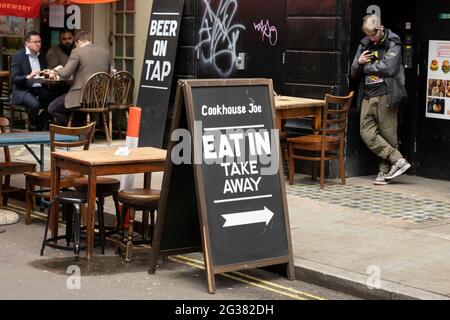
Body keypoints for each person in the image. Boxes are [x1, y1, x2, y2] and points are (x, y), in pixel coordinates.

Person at [351, 14, 410, 185]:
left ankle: (383, 172)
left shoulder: (394, 42)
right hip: (367, 96)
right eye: (368, 35)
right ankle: (398, 159)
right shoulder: (364, 43)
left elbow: (388, 68)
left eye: (373, 35)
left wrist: (365, 67)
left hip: (387, 94)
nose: (371, 38)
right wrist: (358, 63)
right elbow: (354, 72)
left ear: (381, 28)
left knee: (388, 133)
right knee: (365, 132)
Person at [48, 31, 111, 126]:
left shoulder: (77, 51)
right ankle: (86, 125)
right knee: (73, 109)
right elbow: (108, 72)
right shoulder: (105, 52)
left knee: (52, 108)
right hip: (100, 96)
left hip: (82, 97)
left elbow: (65, 74)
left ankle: (80, 126)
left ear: (78, 42)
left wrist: (58, 68)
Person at [11, 31, 55, 131]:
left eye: (39, 42)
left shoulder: (41, 55)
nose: (38, 44)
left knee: (55, 102)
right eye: (35, 42)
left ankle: (39, 123)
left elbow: (43, 72)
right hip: (22, 89)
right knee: (34, 104)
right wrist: (28, 76)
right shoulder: (18, 56)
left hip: (39, 88)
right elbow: (14, 78)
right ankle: (33, 127)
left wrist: (50, 74)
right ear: (27, 43)